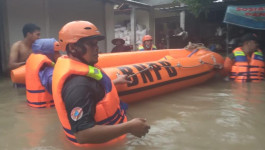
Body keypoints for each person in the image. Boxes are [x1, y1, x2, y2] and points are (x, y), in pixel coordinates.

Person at [52, 20, 150, 146]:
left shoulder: (85, 71)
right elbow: (82, 134)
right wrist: (129, 127)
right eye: (91, 44)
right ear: (72, 48)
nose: (97, 48)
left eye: (96, 43)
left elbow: (95, 91)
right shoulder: (77, 86)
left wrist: (115, 82)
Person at [25, 38, 61, 108]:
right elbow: (61, 89)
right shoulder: (48, 72)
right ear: (48, 54)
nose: (60, 55)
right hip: (47, 109)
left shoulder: (34, 63)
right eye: (56, 52)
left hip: (36, 109)